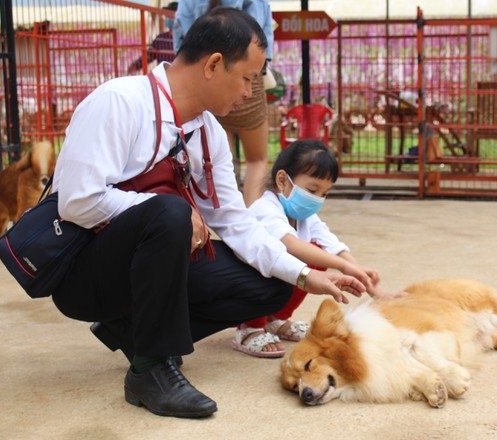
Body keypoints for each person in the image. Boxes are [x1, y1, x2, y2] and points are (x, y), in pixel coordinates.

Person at [50, 8, 365, 419]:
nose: (252, 92)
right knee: (168, 213)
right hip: (86, 275)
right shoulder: (119, 102)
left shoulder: (208, 130)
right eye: (249, 77)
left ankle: (132, 332)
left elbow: (235, 221)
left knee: (271, 286)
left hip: (154, 267)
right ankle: (150, 369)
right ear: (215, 64)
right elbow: (76, 201)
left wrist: (306, 275)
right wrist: (174, 210)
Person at [232, 139, 404, 358]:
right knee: (300, 256)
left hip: (270, 283)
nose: (317, 199)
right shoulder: (265, 208)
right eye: (312, 189)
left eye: (324, 193)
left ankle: (276, 320)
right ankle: (249, 327)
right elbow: (292, 245)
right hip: (244, 284)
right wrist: (342, 266)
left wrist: (375, 291)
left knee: (316, 255)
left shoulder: (304, 217)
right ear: (283, 180)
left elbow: (333, 246)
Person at [173, 0, 274, 206]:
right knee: (257, 159)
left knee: (218, 158)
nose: (247, 90)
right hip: (240, 67)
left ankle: (225, 200)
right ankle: (251, 211)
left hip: (199, 75)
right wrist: (255, 74)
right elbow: (264, 36)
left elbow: (180, 31)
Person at [127, 2, 179, 75]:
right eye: (166, 16)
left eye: (169, 15)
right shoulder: (160, 39)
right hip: (162, 79)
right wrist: (134, 66)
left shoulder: (186, 38)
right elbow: (149, 56)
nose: (167, 18)